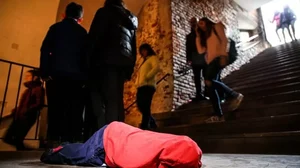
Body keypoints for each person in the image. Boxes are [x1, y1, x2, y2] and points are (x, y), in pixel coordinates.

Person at [41, 121, 202, 168]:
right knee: (81, 156)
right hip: (109, 139)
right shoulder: (178, 153)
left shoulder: (185, 146)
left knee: (85, 151)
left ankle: (68, 144)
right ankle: (55, 151)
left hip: (118, 133)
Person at [85, 0, 138, 133]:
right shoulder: (131, 18)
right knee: (116, 100)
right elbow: (134, 46)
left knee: (103, 100)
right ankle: (118, 136)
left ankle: (107, 138)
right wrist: (129, 69)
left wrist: (87, 63)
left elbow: (94, 38)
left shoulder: (104, 12)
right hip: (122, 63)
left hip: (104, 60)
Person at [40, 2, 87, 146]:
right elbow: (86, 56)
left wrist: (44, 72)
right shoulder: (83, 32)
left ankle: (54, 140)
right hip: (76, 78)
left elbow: (45, 51)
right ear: (80, 18)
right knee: (74, 110)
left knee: (55, 108)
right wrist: (85, 77)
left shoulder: (55, 28)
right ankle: (71, 142)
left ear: (64, 15)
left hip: (56, 75)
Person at [195, 17, 244, 123]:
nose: (201, 26)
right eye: (199, 25)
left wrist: (222, 55)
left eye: (202, 23)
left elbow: (224, 40)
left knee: (208, 81)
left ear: (207, 21)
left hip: (219, 58)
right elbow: (200, 51)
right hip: (211, 62)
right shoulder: (205, 36)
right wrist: (198, 36)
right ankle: (219, 116)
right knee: (211, 87)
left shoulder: (217, 26)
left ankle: (234, 95)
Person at [3, 70, 44, 150]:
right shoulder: (29, 90)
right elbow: (24, 104)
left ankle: (31, 152)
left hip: (27, 117)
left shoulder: (38, 89)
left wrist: (27, 111)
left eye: (28, 76)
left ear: (34, 77)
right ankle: (29, 152)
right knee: (11, 139)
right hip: (19, 117)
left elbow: (39, 104)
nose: (26, 78)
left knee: (15, 139)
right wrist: (16, 111)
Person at [135, 43, 160, 130]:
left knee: (145, 105)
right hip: (141, 86)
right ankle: (152, 122)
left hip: (148, 86)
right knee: (140, 105)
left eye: (144, 50)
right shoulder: (144, 62)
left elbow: (156, 68)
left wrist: (147, 76)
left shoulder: (153, 58)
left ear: (148, 50)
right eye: (141, 51)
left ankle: (145, 125)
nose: (143, 52)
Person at [186, 17, 207, 102]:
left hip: (203, 56)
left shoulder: (202, 33)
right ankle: (199, 94)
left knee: (206, 75)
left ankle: (207, 92)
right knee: (197, 77)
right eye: (191, 22)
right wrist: (189, 59)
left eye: (194, 22)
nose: (193, 23)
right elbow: (188, 48)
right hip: (194, 57)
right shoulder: (189, 36)